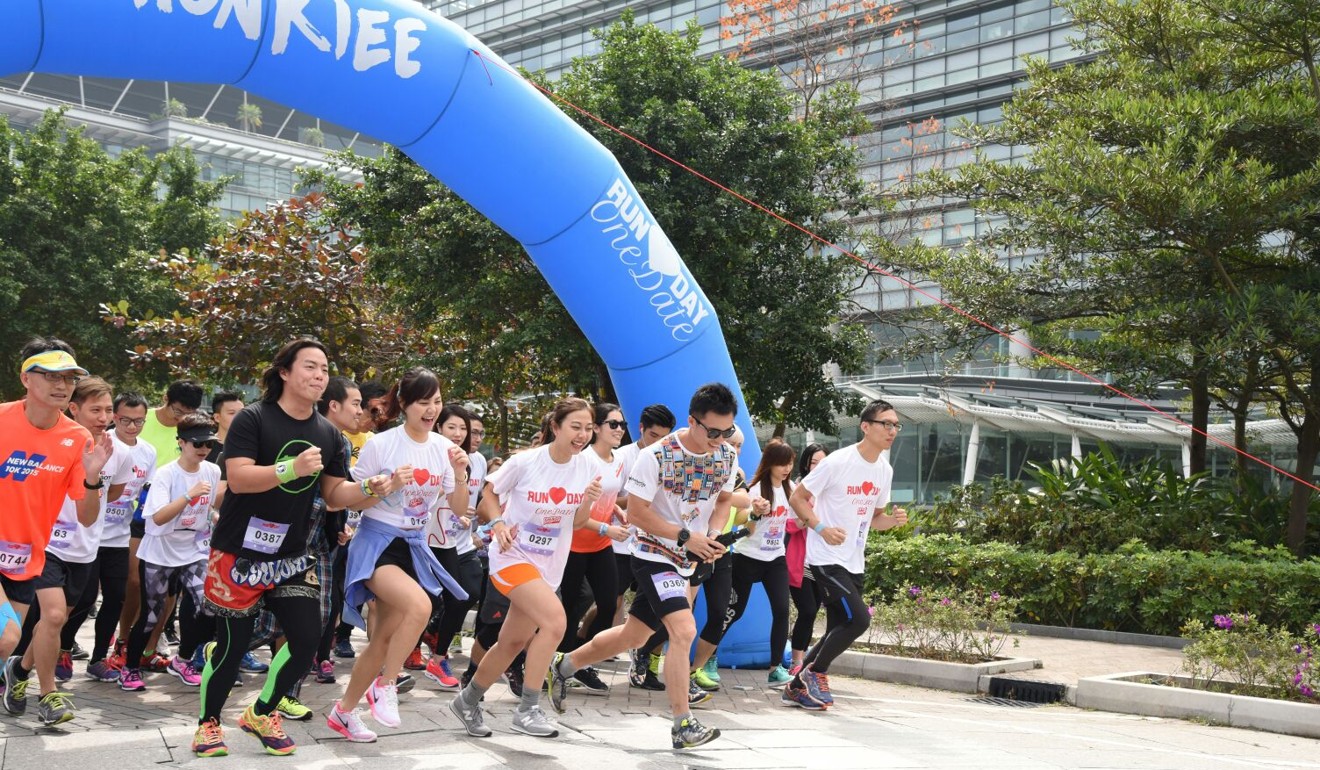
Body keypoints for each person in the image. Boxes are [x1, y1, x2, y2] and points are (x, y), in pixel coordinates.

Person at [192, 338, 388, 758]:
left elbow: (335, 495)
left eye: (324, 369)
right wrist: (290, 468)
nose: (319, 376)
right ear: (284, 372)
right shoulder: (253, 419)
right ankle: (208, 724)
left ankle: (261, 712)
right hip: (238, 553)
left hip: (292, 555)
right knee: (232, 645)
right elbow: (240, 479)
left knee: (306, 639)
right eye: (310, 367)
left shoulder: (330, 435)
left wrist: (371, 488)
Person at [546, 383, 739, 750]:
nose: (718, 438)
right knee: (683, 630)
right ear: (691, 421)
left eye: (726, 431)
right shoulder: (657, 456)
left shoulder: (726, 456)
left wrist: (712, 533)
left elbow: (724, 500)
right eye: (712, 431)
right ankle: (683, 724)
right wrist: (685, 537)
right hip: (653, 555)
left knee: (633, 636)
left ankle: (564, 665)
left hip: (689, 557)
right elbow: (636, 513)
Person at [328, 368, 469, 742]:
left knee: (382, 641)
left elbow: (457, 507)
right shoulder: (382, 444)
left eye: (437, 401)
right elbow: (348, 495)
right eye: (423, 402)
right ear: (404, 403)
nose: (431, 410)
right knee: (420, 607)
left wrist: (460, 472)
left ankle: (342, 713)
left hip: (414, 545)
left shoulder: (442, 448)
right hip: (377, 543)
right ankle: (385, 685)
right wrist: (384, 485)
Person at [449, 397, 601, 740]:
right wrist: (500, 522)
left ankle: (467, 701)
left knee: (512, 642)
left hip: (549, 565)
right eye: (575, 427)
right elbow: (489, 493)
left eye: (588, 428)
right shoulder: (527, 461)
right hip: (512, 554)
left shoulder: (588, 468)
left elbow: (576, 522)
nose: (582, 435)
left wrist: (589, 498)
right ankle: (528, 709)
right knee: (556, 622)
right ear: (556, 427)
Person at [4, 375, 130, 725]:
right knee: (53, 616)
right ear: (74, 408)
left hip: (83, 551)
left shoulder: (114, 451)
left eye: (108, 410)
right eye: (95, 409)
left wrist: (91, 479)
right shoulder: (52, 436)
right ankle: (48, 696)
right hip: (44, 546)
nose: (104, 417)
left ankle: (20, 669)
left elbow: (93, 513)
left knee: (52, 624)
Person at [783, 400, 908, 711]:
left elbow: (875, 519)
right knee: (858, 620)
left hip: (854, 560)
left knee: (839, 626)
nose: (892, 430)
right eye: (886, 424)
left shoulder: (884, 470)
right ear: (866, 426)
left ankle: (795, 687)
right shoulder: (837, 462)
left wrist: (891, 522)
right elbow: (798, 497)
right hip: (825, 557)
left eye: (896, 425)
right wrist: (820, 527)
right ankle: (816, 672)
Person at [118, 412, 221, 693]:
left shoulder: (212, 471)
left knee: (208, 605)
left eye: (208, 445)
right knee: (152, 614)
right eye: (197, 444)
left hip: (193, 549)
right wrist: (189, 496)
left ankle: (183, 660)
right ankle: (130, 668)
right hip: (160, 550)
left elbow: (208, 507)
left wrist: (213, 517)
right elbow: (158, 517)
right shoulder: (166, 474)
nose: (203, 450)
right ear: (181, 443)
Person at [70, 391, 156, 682]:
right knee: (82, 600)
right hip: (88, 534)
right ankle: (61, 648)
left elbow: (144, 491)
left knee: (117, 597)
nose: (132, 426)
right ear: (114, 418)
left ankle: (98, 659)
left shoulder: (146, 451)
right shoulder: (102, 444)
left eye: (139, 421)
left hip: (119, 536)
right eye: (124, 420)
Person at [555, 402, 630, 695]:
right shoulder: (582, 461)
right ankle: (561, 662)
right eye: (613, 424)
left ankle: (581, 661)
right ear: (596, 428)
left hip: (600, 546)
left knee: (609, 605)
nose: (619, 430)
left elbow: (611, 496)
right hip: (574, 544)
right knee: (572, 607)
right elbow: (573, 514)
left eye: (622, 425)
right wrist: (606, 527)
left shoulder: (619, 460)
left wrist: (616, 512)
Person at [418, 404, 485, 690]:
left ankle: (437, 651)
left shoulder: (478, 460)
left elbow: (477, 498)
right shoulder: (429, 455)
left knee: (468, 593)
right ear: (439, 428)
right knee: (426, 601)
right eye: (451, 427)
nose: (458, 434)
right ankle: (398, 663)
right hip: (430, 539)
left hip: (462, 541)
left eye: (463, 429)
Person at [726, 439, 796, 686]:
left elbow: (797, 518)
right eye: (781, 463)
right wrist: (755, 512)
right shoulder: (755, 490)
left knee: (781, 610)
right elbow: (743, 524)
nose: (786, 468)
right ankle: (709, 658)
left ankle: (775, 668)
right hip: (747, 558)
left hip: (775, 558)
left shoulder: (791, 490)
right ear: (770, 463)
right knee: (733, 611)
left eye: (789, 463)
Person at [786, 442, 827, 672]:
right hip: (800, 560)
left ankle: (802, 660)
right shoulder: (797, 489)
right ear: (806, 464)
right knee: (808, 610)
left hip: (821, 560)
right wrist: (805, 520)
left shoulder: (831, 488)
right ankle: (797, 661)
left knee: (812, 613)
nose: (819, 466)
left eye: (823, 462)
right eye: (814, 462)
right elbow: (787, 524)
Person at [207, 391, 244, 464]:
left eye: (242, 412)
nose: (239, 417)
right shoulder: (205, 446)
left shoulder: (252, 444)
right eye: (231, 413)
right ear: (217, 417)